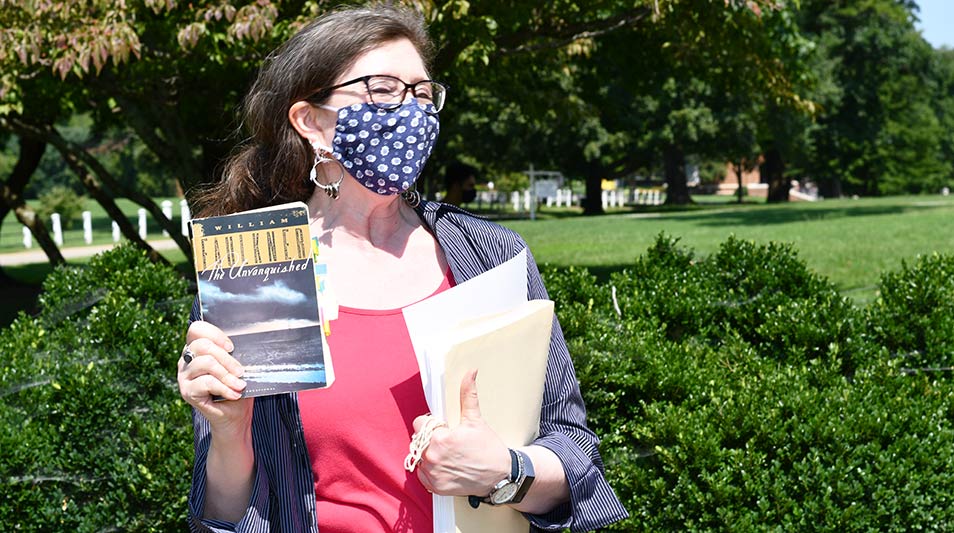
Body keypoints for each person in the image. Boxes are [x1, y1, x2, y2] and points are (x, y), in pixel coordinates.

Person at [176, 4, 627, 532]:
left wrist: (505, 473)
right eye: (383, 89)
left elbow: (573, 451)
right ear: (311, 123)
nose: (410, 111)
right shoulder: (257, 270)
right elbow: (224, 517)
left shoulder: (490, 256)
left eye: (421, 93)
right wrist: (229, 432)